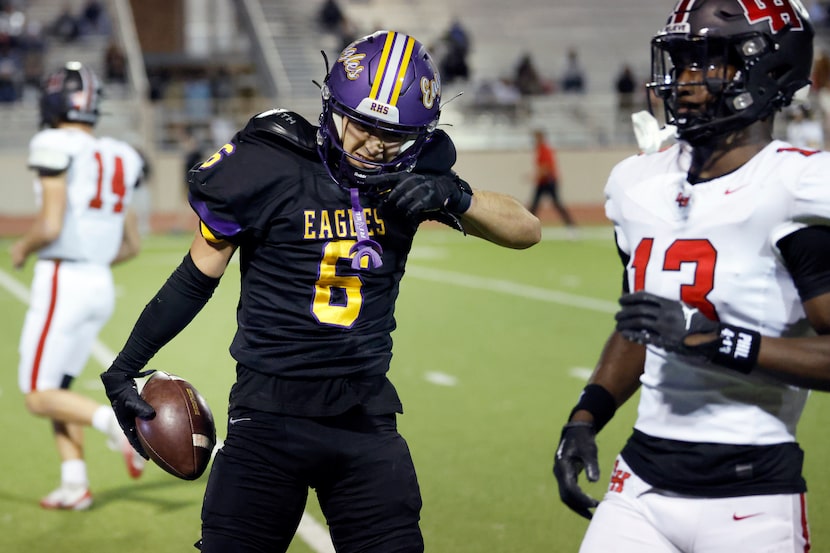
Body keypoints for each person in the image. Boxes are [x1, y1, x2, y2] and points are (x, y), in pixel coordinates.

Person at [100, 30, 540, 552]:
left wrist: (454, 195)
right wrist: (126, 365)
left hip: (364, 415)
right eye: (363, 125)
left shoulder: (418, 175)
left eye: (394, 135)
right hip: (266, 415)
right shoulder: (271, 160)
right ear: (332, 107)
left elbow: (526, 230)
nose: (375, 144)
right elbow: (195, 277)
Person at [553, 1, 827, 551]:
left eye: (709, 62)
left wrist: (717, 341)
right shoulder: (638, 182)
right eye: (681, 62)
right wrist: (585, 416)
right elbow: (640, 324)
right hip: (640, 486)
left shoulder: (799, 186)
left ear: (769, 68)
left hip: (752, 496)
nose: (685, 79)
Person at [10, 61, 146, 510]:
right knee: (58, 387)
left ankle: (115, 426)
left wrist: (22, 248)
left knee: (38, 395)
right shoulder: (122, 155)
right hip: (98, 282)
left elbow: (50, 225)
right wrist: (92, 257)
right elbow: (131, 245)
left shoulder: (51, 143)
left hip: (63, 278)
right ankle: (75, 484)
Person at [528, 129, 576, 230]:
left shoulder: (545, 150)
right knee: (535, 205)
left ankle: (571, 226)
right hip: (542, 182)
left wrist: (535, 176)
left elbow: (546, 167)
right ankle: (528, 225)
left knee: (557, 204)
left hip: (549, 181)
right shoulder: (540, 150)